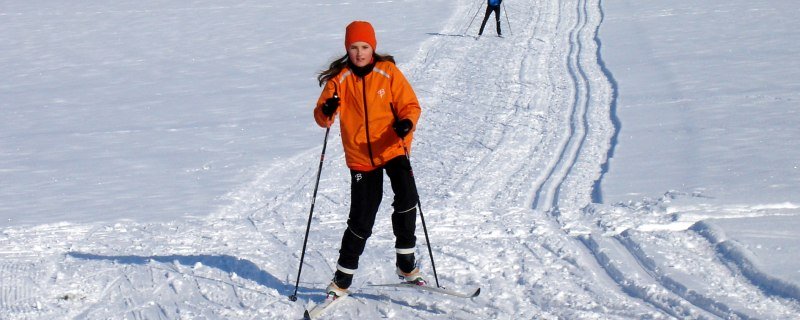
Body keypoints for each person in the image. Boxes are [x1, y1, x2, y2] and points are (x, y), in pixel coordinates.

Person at [313, 20, 426, 299]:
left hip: (392, 147)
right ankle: (342, 279)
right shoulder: (339, 80)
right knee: (362, 217)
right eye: (354, 47)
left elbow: (410, 105)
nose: (360, 52)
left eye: (364, 47)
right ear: (347, 49)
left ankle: (406, 263)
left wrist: (406, 124)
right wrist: (326, 109)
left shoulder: (387, 72)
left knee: (407, 197)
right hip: (361, 156)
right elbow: (322, 117)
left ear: (372, 47)